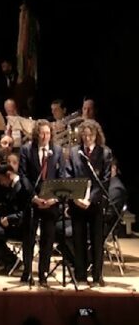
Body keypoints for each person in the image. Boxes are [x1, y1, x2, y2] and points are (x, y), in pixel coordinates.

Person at [67, 120, 113, 286]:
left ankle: (97, 276)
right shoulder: (74, 152)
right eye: (84, 135)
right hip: (77, 203)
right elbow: (68, 175)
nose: (87, 138)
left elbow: (105, 180)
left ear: (96, 136)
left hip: (95, 203)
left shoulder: (105, 153)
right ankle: (80, 275)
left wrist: (90, 199)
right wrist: (77, 198)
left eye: (90, 135)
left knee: (96, 241)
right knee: (78, 239)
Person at [17, 121, 63, 286]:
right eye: (42, 133)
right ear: (37, 134)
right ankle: (27, 271)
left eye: (48, 133)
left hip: (50, 201)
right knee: (28, 237)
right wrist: (34, 197)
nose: (45, 137)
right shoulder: (26, 150)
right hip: (33, 200)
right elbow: (23, 175)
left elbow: (61, 176)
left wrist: (54, 198)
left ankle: (43, 273)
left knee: (47, 239)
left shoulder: (56, 151)